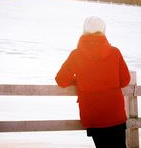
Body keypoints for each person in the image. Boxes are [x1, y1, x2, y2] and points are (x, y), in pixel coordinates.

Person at [55, 16, 130, 148]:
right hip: (115, 114)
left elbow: (61, 80)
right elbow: (125, 80)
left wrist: (79, 80)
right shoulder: (114, 53)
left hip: (93, 116)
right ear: (103, 31)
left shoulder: (76, 55)